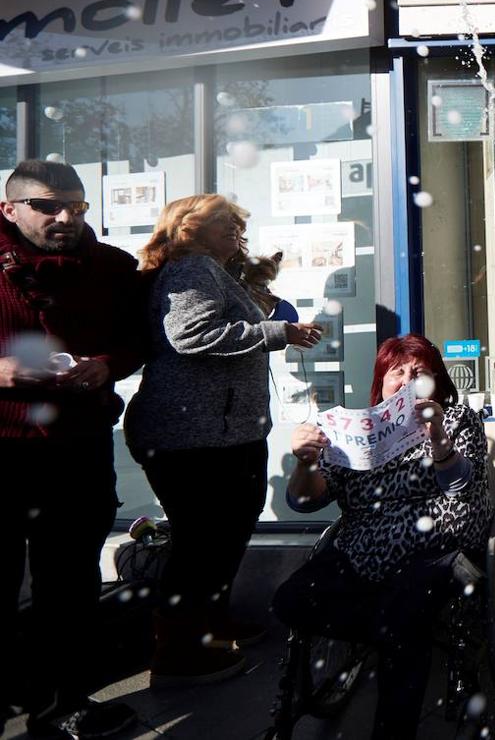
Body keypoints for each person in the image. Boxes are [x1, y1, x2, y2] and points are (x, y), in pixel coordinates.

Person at [125, 195, 320, 686]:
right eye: (224, 224)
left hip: (220, 432)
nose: (236, 230)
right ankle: (177, 654)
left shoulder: (209, 269)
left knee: (226, 530)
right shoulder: (192, 269)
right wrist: (278, 332)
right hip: (190, 435)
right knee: (201, 542)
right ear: (190, 229)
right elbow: (190, 334)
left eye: (237, 223)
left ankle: (211, 624)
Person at [273, 334, 490, 740]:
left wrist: (437, 435)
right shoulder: (358, 429)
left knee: (404, 618)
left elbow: (460, 483)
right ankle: (388, 630)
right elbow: (305, 501)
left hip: (435, 549)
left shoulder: (457, 419)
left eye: (419, 373)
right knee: (289, 600)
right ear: (382, 383)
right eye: (397, 373)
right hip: (361, 550)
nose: (407, 381)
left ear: (436, 384)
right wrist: (305, 463)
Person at [0, 160, 146, 739]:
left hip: (77, 449)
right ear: (10, 208)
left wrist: (107, 365)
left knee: (70, 584)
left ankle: (64, 705)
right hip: (2, 447)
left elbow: (135, 341)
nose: (66, 217)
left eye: (78, 207)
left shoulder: (111, 268)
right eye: (49, 206)